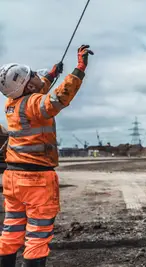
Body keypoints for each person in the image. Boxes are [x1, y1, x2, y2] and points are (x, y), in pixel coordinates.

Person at [0, 44, 94, 267]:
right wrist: (79, 69)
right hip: (37, 181)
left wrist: (52, 73)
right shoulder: (33, 105)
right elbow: (58, 98)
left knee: (11, 230)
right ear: (27, 84)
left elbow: (38, 84)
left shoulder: (11, 103)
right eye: (31, 75)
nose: (36, 76)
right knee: (37, 237)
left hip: (13, 178)